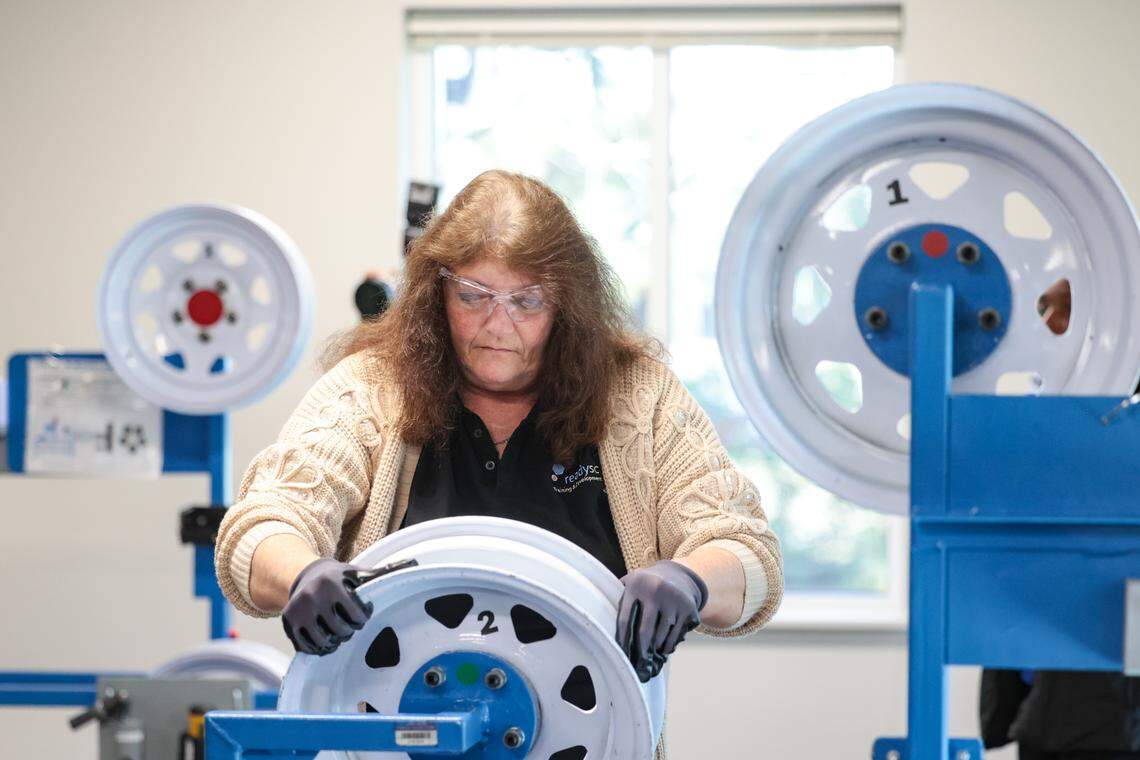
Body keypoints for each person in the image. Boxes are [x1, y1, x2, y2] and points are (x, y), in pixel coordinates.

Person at [214, 169, 783, 757]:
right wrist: (300, 572)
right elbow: (261, 526)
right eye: (472, 296)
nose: (496, 324)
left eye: (527, 301)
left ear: (568, 304)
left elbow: (747, 553)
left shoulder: (640, 398)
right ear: (436, 293)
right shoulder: (370, 390)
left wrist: (688, 580)